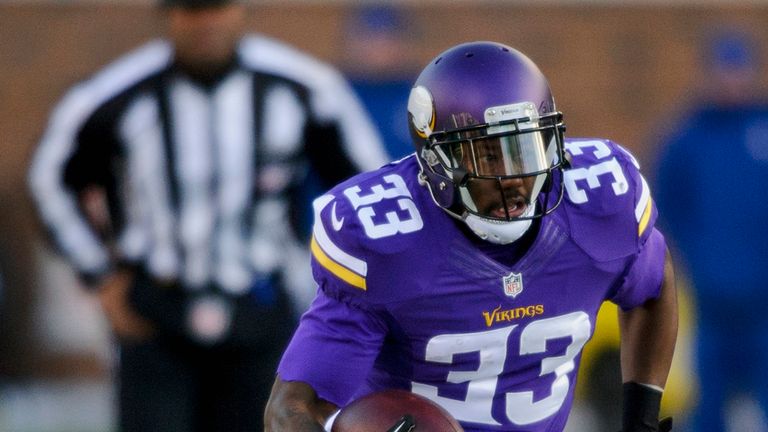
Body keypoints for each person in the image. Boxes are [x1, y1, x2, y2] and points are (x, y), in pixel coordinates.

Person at [265, 41, 678, 432]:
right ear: (436, 160)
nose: (512, 178)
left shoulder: (599, 204)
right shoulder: (387, 245)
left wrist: (641, 418)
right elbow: (291, 407)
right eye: (487, 156)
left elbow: (653, 287)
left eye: (525, 149)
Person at [26, 0, 389, 430]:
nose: (206, 23)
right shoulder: (116, 94)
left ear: (240, 9)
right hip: (154, 316)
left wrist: (345, 292)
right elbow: (48, 179)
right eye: (192, 9)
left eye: (217, 7)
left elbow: (371, 191)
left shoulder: (304, 87)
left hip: (262, 310)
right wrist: (100, 274)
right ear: (169, 14)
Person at [654, 29, 768, 432]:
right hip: (710, 300)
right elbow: (666, 208)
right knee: (707, 406)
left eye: (737, 70)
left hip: (763, 302)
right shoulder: (687, 138)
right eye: (723, 70)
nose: (730, 80)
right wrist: (695, 259)